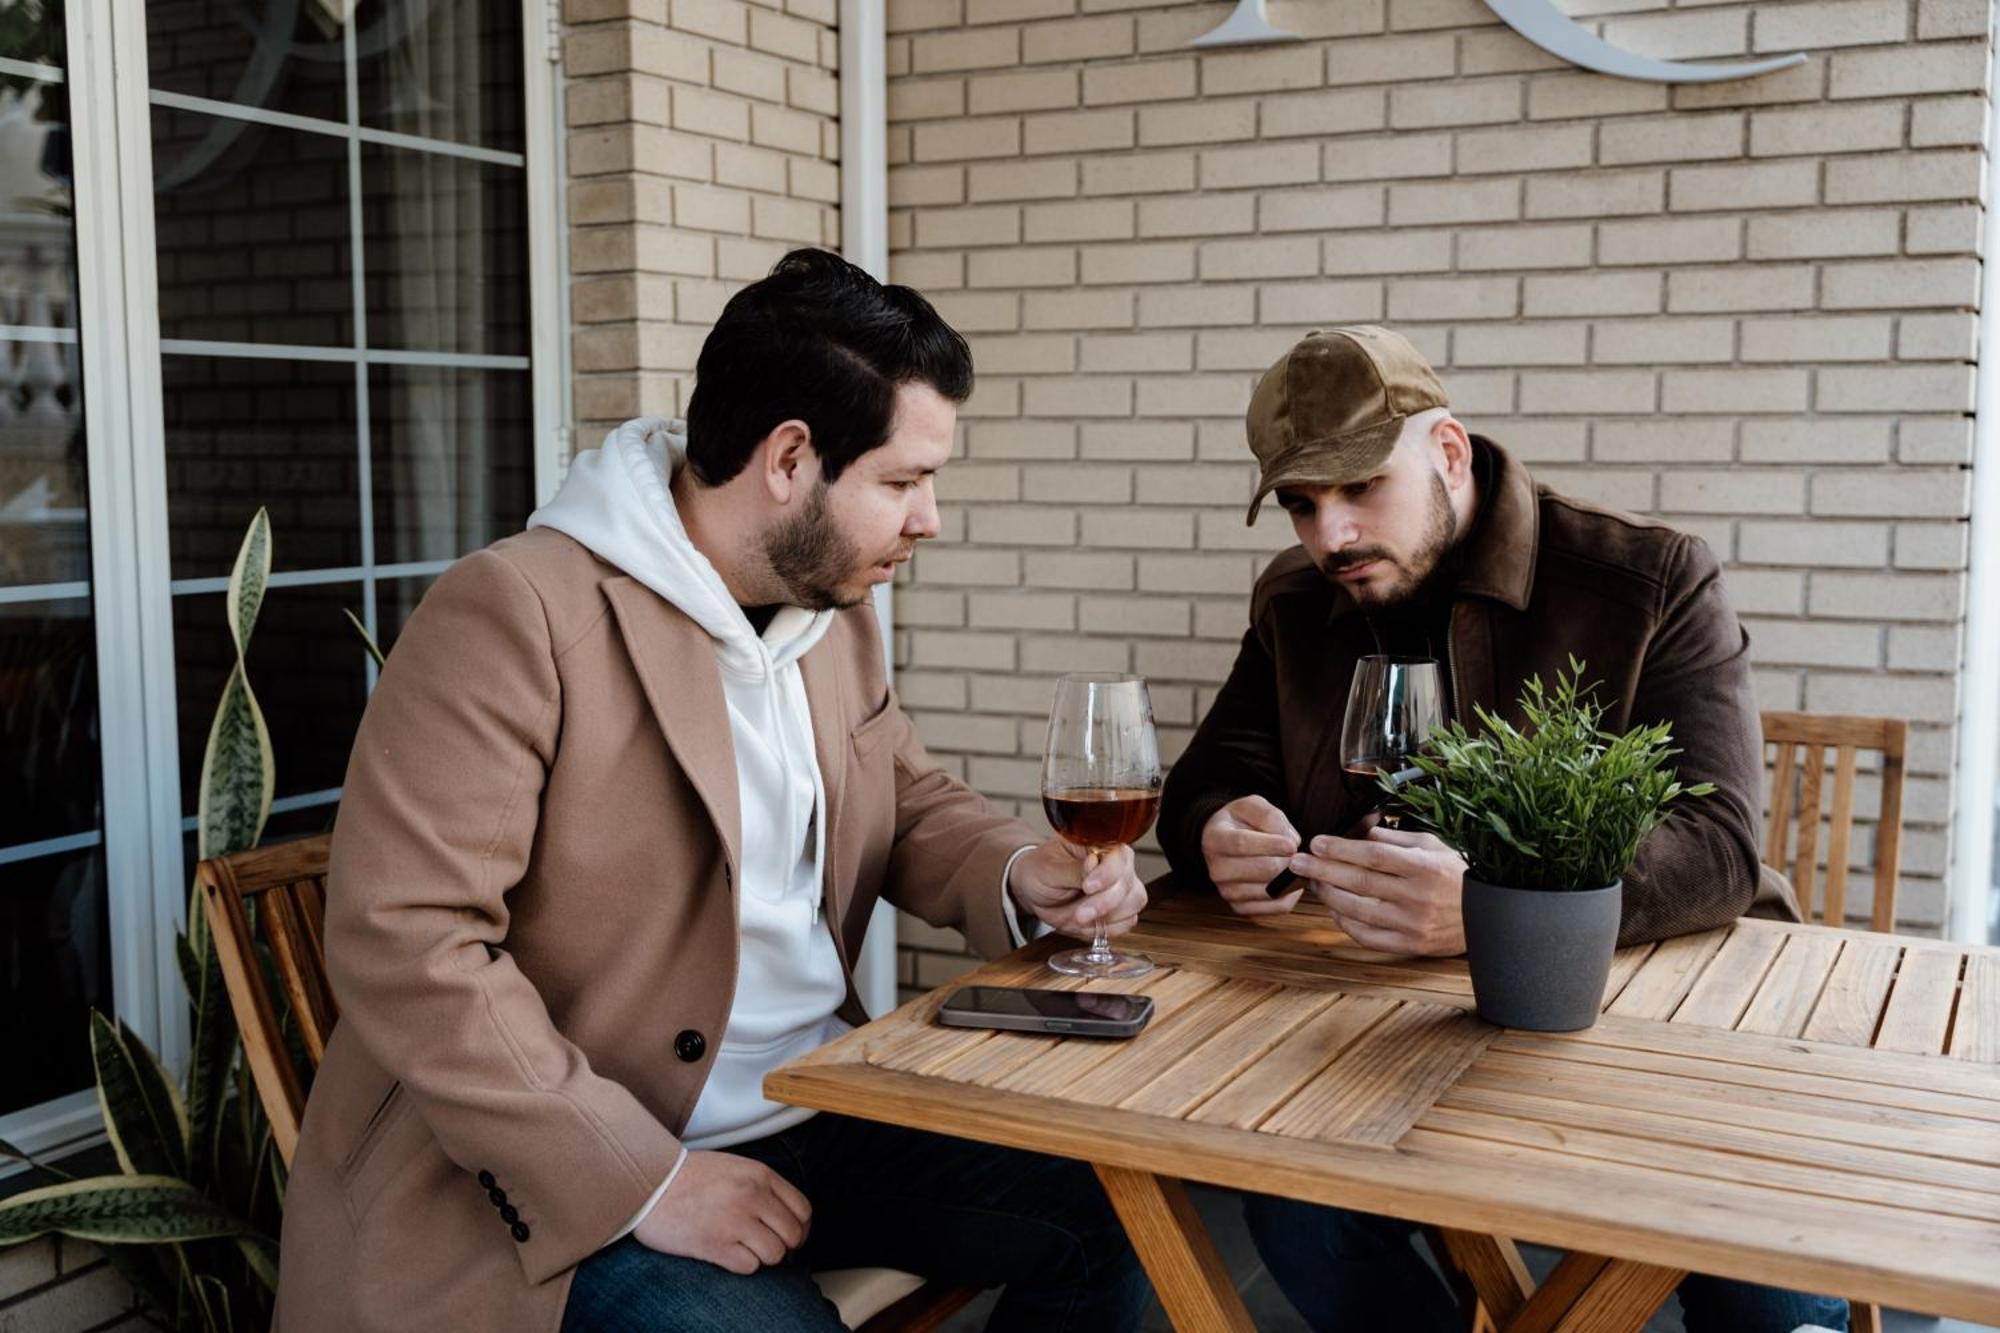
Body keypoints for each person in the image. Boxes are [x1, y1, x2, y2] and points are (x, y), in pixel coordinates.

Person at [274, 250, 1151, 1333]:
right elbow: (407, 940)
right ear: (789, 457)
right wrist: (643, 1179)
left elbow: (906, 794)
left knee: (1121, 1205)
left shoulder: (831, 609)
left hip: (807, 1104)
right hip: (562, 1159)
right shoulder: (516, 612)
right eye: (903, 480)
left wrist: (1028, 870)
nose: (928, 518)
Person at [1156, 325, 1842, 1333]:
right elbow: (1211, 775)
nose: (1329, 535)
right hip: (1396, 1032)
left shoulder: (1647, 577)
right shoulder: (1297, 602)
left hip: (1649, 1019)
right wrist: (1218, 822)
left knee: (1753, 1273)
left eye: (1358, 488)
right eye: (1302, 504)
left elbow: (1720, 843)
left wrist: (1493, 904)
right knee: (1297, 1208)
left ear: (1446, 450)